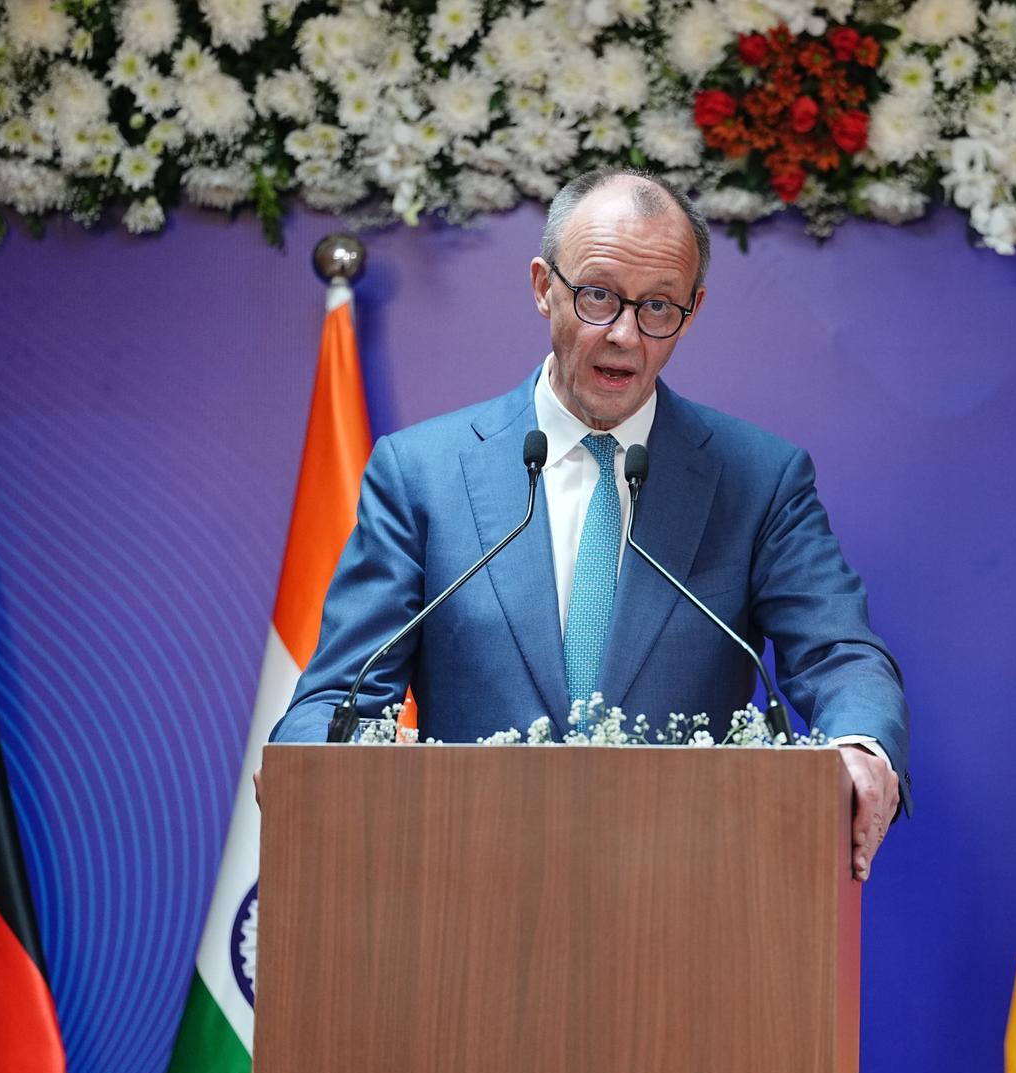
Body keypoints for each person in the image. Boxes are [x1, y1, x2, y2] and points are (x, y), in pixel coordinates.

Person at [268, 167, 907, 879]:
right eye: (598, 296)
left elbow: (840, 654)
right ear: (544, 286)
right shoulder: (421, 474)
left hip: (682, 894)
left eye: (658, 306)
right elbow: (342, 694)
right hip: (462, 889)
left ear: (693, 310)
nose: (625, 335)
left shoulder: (758, 481)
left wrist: (862, 745)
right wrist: (305, 766)